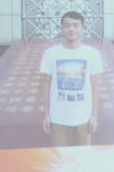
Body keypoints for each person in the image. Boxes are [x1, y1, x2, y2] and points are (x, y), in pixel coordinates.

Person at [40, 11, 103, 147]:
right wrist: (46, 114)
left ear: (82, 28)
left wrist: (94, 115)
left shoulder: (92, 54)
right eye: (67, 25)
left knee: (83, 155)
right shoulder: (50, 54)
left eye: (76, 25)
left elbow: (95, 86)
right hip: (58, 117)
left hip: (84, 116)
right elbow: (46, 84)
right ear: (61, 28)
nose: (71, 29)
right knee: (60, 154)